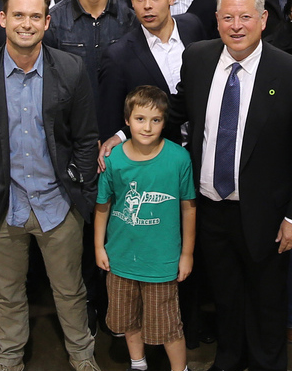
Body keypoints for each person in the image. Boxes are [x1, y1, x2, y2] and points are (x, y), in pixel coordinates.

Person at [0, 0, 101, 371]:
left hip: (59, 205)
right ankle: (10, 358)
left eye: (35, 16)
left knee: (70, 291)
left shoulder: (70, 68)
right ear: (2, 19)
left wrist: (80, 193)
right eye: (18, 15)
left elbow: (86, 138)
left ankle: (82, 356)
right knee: (6, 293)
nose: (26, 23)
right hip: (0, 206)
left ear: (47, 21)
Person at [178, 0, 292, 371]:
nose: (236, 26)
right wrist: (122, 134)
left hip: (268, 215)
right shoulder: (197, 58)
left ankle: (267, 364)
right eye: (227, 17)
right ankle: (228, 360)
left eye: (245, 17)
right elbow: (177, 111)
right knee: (225, 297)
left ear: (263, 20)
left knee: (266, 300)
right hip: (210, 208)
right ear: (217, 21)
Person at [93, 85, 196, 371]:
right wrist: (99, 246)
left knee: (168, 323)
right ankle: (138, 363)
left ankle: (180, 369)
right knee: (128, 319)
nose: (148, 127)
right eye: (140, 119)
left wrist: (186, 254)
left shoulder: (178, 159)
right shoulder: (113, 159)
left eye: (156, 120)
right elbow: (103, 205)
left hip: (161, 261)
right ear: (127, 121)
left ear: (165, 121)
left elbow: (188, 207)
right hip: (121, 258)